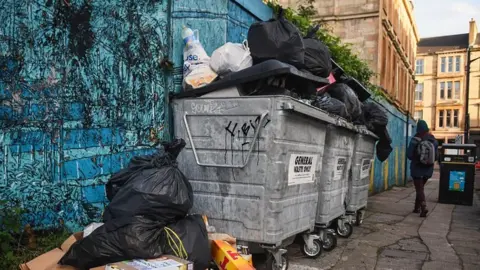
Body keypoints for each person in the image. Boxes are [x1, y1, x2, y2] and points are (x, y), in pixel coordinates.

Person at [407, 120, 438, 217]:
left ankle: (423, 207)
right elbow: (436, 157)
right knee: (420, 188)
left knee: (419, 189)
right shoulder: (434, 141)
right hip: (428, 169)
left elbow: (409, 155)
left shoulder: (415, 139)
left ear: (418, 129)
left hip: (417, 168)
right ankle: (416, 208)